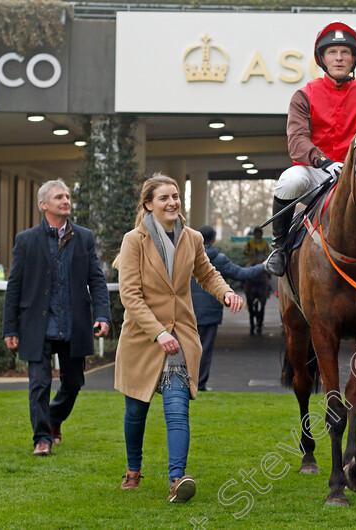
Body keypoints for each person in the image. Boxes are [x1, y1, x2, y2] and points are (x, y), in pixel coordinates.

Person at [114, 174, 243, 503]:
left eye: (175, 196)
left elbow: (207, 272)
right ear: (148, 204)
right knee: (135, 411)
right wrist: (157, 332)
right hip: (143, 337)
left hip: (180, 336)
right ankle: (133, 470)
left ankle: (177, 479)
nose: (172, 202)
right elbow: (130, 296)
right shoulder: (134, 240)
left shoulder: (192, 238)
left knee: (177, 407)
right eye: (164, 198)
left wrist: (226, 294)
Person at [265, 20, 356, 276]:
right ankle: (279, 247)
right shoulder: (303, 95)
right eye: (332, 52)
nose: (339, 58)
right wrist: (323, 162)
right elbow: (297, 139)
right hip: (317, 173)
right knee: (289, 180)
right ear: (322, 58)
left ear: (354, 59)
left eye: (345, 53)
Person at [2, 180, 111, 457]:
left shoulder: (84, 237)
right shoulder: (26, 240)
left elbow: (96, 280)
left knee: (74, 383)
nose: (65, 200)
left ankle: (53, 419)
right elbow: (14, 285)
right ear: (44, 205)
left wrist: (102, 314)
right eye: (59, 197)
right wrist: (9, 328)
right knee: (39, 383)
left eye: (67, 196)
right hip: (36, 325)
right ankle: (42, 438)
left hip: (73, 324)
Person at [192, 225, 265, 391]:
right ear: (214, 240)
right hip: (209, 312)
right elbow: (241, 274)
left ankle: (184, 382)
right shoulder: (218, 258)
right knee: (205, 349)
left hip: (187, 310)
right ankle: (200, 384)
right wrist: (265, 266)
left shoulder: (186, 253)